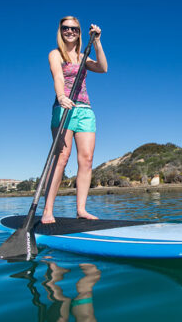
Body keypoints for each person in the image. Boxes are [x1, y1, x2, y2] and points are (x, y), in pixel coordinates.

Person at [41, 16, 108, 224]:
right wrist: (61, 96)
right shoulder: (56, 54)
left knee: (86, 160)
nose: (70, 31)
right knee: (61, 157)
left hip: (85, 110)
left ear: (80, 32)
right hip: (64, 108)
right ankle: (48, 211)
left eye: (74, 29)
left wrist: (97, 41)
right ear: (60, 31)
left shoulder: (83, 56)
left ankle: (81, 210)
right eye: (66, 28)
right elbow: (58, 77)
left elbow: (103, 67)